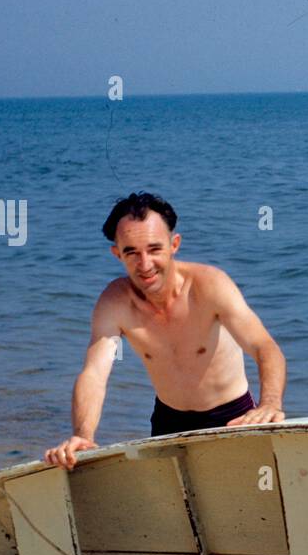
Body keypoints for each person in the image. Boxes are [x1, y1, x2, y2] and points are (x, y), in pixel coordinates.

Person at [44, 192, 286, 470]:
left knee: (248, 502)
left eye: (154, 249)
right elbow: (95, 373)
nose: (145, 265)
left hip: (233, 415)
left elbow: (264, 347)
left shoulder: (209, 286)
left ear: (174, 244)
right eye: (131, 252)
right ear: (116, 253)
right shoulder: (115, 302)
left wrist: (269, 404)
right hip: (168, 420)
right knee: (171, 509)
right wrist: (82, 436)